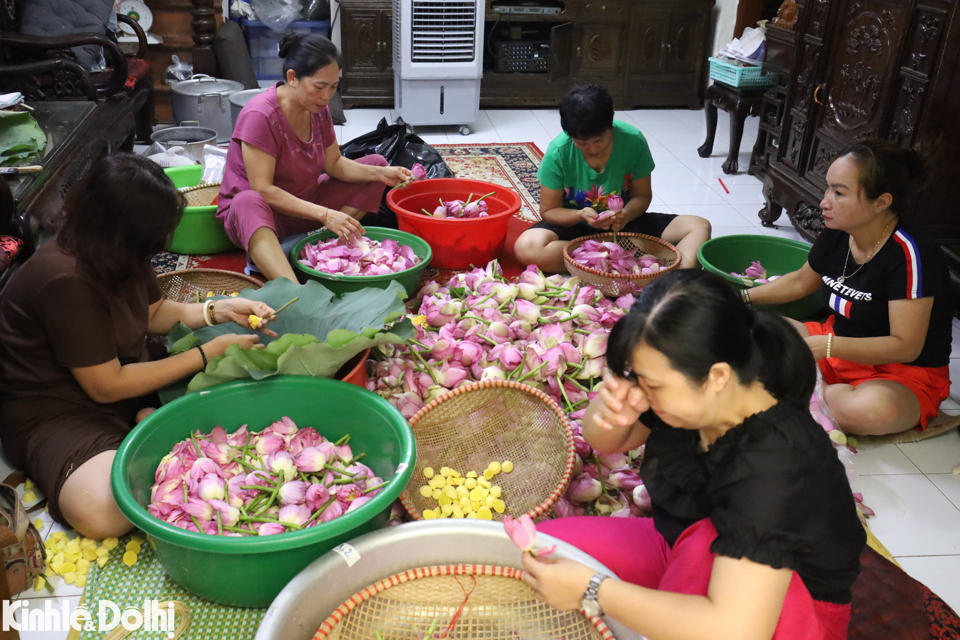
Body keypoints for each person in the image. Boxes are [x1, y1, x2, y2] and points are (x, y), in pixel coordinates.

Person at [522, 270, 865, 640]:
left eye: (651, 385)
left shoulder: (772, 464)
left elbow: (735, 631)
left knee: (693, 552)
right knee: (539, 555)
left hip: (780, 607)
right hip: (689, 546)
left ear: (717, 376)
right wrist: (613, 409)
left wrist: (594, 589)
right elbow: (605, 441)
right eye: (635, 378)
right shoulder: (704, 382)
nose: (642, 393)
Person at [0, 154, 274, 540]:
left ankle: (146, 428)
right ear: (121, 231)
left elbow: (155, 311)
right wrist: (204, 355)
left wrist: (220, 309)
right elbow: (106, 385)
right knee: (106, 509)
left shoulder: (117, 248)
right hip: (56, 410)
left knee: (247, 401)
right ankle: (146, 429)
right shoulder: (66, 279)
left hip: (128, 372)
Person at [747, 139, 951, 435]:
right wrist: (740, 296)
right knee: (748, 329)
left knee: (870, 411)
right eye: (828, 188)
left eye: (839, 193)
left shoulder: (911, 255)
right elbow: (802, 281)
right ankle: (810, 394)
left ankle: (803, 392)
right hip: (834, 344)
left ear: (881, 202)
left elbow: (906, 346)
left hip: (901, 373)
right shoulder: (838, 231)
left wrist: (827, 346)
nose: (824, 201)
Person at [218, 33, 411, 282]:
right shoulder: (260, 115)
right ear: (292, 78)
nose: (326, 96)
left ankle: (327, 252)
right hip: (259, 215)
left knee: (377, 164)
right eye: (319, 87)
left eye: (333, 88)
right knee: (247, 200)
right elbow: (263, 190)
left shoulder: (318, 109)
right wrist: (325, 215)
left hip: (303, 205)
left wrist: (382, 174)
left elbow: (334, 165)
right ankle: (292, 288)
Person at [514, 84, 711, 272]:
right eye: (581, 143)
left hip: (625, 227)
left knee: (698, 226)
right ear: (569, 134)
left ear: (611, 126)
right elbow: (549, 211)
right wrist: (580, 215)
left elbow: (642, 196)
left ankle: (671, 274)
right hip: (575, 230)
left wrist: (625, 214)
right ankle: (622, 260)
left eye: (599, 140)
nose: (592, 149)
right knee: (527, 247)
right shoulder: (558, 151)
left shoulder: (633, 140)